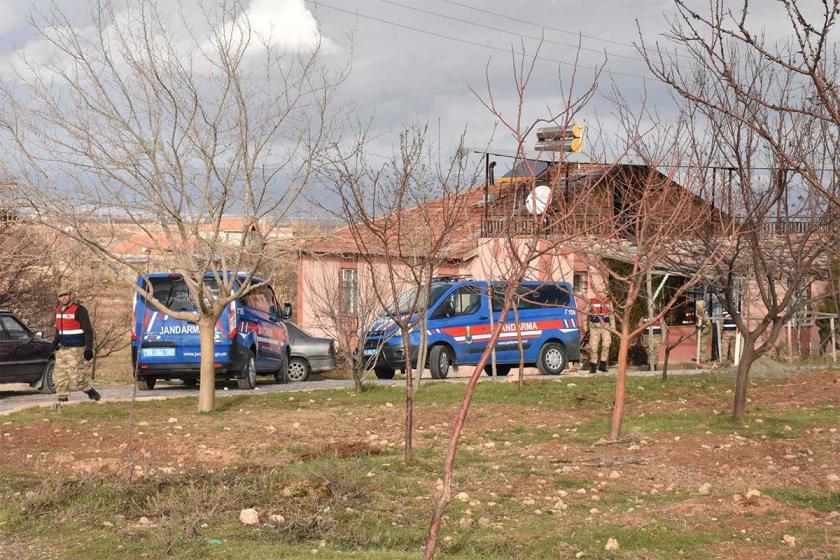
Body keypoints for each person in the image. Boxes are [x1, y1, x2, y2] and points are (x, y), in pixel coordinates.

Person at [53, 286, 100, 403]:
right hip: (62, 349)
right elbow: (59, 329)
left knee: (77, 378)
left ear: (70, 296)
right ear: (58, 298)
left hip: (76, 349)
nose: (64, 298)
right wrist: (54, 342)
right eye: (61, 296)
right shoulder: (58, 311)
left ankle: (89, 390)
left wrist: (88, 349)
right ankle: (62, 399)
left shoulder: (79, 310)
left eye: (66, 295)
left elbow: (88, 331)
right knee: (60, 376)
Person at [588, 295, 614, 373]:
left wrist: (613, 327)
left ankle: (603, 364)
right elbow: (585, 313)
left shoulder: (609, 302)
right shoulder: (591, 301)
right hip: (594, 327)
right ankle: (593, 366)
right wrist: (584, 326)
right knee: (593, 346)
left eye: (604, 291)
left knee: (606, 344)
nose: (602, 293)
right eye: (600, 291)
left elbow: (611, 315)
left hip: (606, 327)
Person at [696, 300, 712, 364]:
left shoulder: (704, 314)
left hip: (704, 333)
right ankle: (701, 359)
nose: (696, 307)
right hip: (700, 332)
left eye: (697, 305)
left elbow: (709, 325)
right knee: (700, 347)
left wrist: (703, 333)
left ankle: (703, 360)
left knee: (703, 347)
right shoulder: (699, 313)